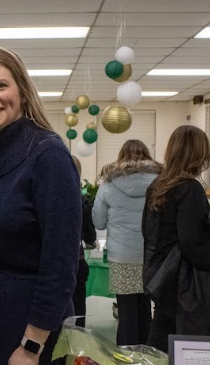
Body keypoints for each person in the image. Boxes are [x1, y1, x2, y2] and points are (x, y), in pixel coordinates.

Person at [0, 46, 80, 365]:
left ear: (22, 89)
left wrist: (31, 347)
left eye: (0, 85)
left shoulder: (47, 154)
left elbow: (62, 263)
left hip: (33, 325)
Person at [143, 125, 210, 353]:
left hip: (160, 275)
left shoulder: (157, 185)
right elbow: (193, 242)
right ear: (199, 153)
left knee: (161, 343)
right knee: (186, 348)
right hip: (183, 281)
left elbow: (147, 231)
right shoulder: (190, 188)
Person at [92, 140, 161, 345]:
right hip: (152, 255)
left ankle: (126, 358)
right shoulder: (160, 182)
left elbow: (99, 222)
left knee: (126, 310)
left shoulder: (109, 184)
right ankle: (148, 358)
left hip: (121, 256)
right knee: (146, 308)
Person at [71, 156, 97, 328]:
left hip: (52, 264)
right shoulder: (82, 201)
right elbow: (89, 235)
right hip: (77, 261)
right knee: (78, 310)